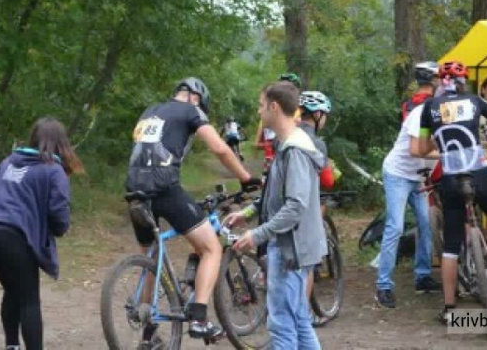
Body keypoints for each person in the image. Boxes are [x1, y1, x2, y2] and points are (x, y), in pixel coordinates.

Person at [125, 77, 258, 341]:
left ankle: (148, 333)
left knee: (151, 257)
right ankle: (199, 318)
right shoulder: (191, 110)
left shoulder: (150, 110)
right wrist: (245, 176)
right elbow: (219, 147)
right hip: (164, 187)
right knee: (212, 247)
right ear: (196, 98)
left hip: (134, 189)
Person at [416, 61, 487, 323]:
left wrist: (439, 136)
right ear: (464, 82)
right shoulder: (476, 102)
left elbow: (422, 149)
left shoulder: (428, 109)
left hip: (451, 178)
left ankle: (450, 308)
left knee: (451, 245)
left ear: (440, 84)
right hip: (480, 173)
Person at [225, 81, 324, 349]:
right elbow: (274, 194)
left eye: (260, 105)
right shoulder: (286, 146)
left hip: (291, 247)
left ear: (274, 107)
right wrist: (247, 213)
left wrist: (258, 234)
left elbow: (295, 206)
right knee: (299, 320)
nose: (258, 112)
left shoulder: (296, 150)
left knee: (281, 324)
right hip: (290, 244)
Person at [0, 117, 81, 350]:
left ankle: (12, 345)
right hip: (13, 238)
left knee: (14, 288)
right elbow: (59, 211)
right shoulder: (53, 170)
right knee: (29, 298)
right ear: (61, 144)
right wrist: (61, 228)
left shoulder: (9, 162)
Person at [375, 64, 442, 309]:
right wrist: (444, 155)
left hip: (419, 176)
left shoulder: (441, 113)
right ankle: (383, 286)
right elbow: (417, 149)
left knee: (426, 223)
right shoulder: (421, 111)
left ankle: (423, 276)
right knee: (395, 226)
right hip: (398, 173)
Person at [297, 90, 335, 327]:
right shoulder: (317, 142)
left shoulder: (283, 135)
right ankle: (303, 315)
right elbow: (327, 180)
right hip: (305, 205)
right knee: (308, 263)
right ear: (318, 114)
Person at [254, 73, 303, 165]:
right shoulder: (267, 116)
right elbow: (257, 143)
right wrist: (272, 144)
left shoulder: (299, 113)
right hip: (273, 162)